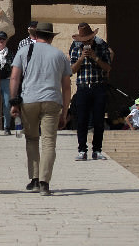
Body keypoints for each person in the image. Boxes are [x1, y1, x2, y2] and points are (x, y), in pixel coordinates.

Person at [9, 22, 72, 195]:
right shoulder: (60, 56)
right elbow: (66, 87)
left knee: (32, 139)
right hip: (52, 100)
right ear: (51, 37)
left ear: (36, 36)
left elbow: (14, 78)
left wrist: (14, 102)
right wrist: (65, 112)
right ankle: (45, 183)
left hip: (29, 99)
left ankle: (35, 179)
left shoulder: (24, 51)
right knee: (49, 142)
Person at [69, 22, 111, 161]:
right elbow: (72, 70)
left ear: (93, 38)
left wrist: (95, 57)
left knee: (99, 120)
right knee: (82, 120)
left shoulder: (101, 48)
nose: (87, 43)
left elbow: (107, 68)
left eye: (89, 40)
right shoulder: (76, 50)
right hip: (82, 88)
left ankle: (97, 150)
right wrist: (81, 58)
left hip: (98, 86)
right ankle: (82, 150)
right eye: (84, 41)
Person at [0, 30, 15, 134]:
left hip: (6, 80)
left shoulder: (10, 53)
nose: (1, 41)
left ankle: (7, 127)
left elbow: (13, 66)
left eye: (3, 39)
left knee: (6, 104)